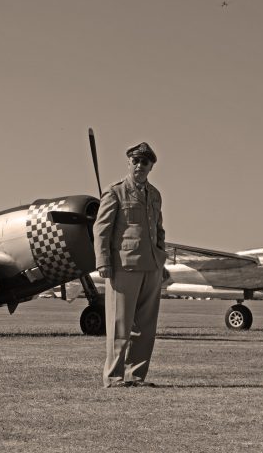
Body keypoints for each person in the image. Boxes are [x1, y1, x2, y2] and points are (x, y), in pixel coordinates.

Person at [93, 142, 168, 388]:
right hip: (124, 267)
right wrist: (103, 261)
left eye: (144, 162)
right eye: (135, 161)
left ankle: (135, 375)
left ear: (151, 166)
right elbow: (101, 230)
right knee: (119, 325)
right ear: (129, 163)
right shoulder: (115, 192)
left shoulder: (155, 195)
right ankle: (113, 377)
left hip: (151, 267)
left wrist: (161, 259)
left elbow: (159, 230)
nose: (139, 166)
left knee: (145, 328)